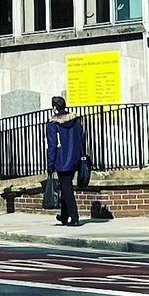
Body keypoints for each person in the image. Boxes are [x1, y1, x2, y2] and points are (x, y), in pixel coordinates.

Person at [45, 95, 85, 228]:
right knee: (65, 187)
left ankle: (74, 217)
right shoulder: (75, 120)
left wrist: (50, 164)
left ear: (54, 107)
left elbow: (52, 145)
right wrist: (82, 156)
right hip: (74, 158)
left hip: (61, 161)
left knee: (67, 189)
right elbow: (81, 139)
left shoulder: (53, 123)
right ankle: (64, 216)